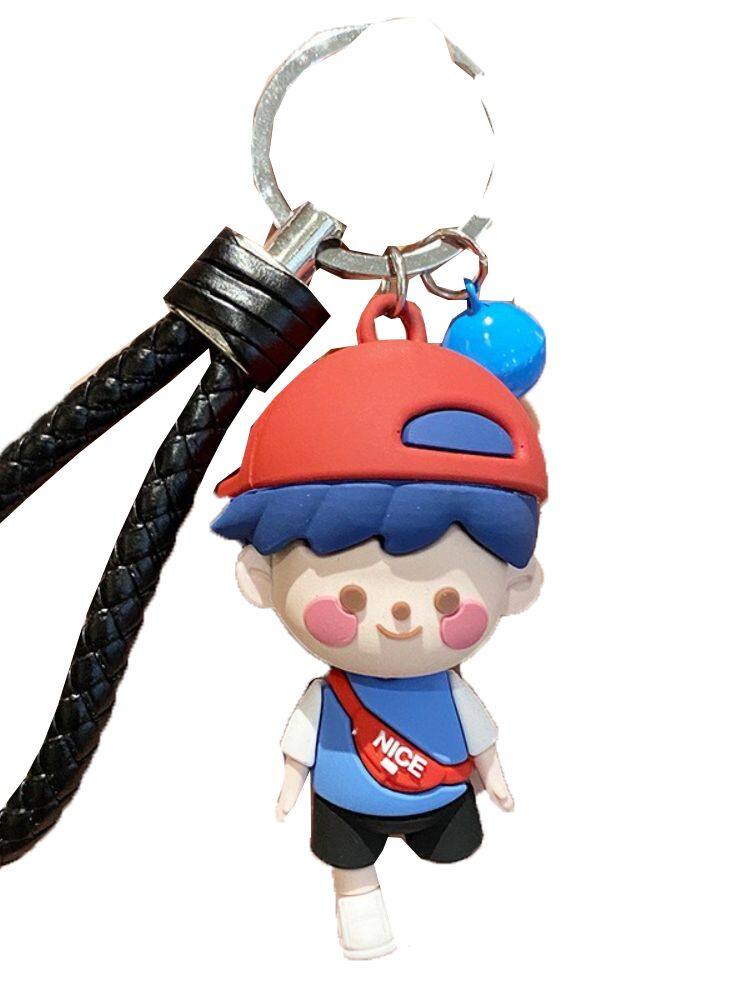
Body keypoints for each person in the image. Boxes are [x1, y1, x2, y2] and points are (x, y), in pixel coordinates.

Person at [211, 296, 547, 959]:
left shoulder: (448, 691)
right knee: (348, 853)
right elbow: (301, 742)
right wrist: (290, 780)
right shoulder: (331, 695)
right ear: (260, 578)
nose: (399, 615)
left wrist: (494, 775)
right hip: (346, 795)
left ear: (518, 587)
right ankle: (357, 899)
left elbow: (481, 738)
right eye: (352, 596)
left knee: (458, 855)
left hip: (440, 791)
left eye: (447, 600)